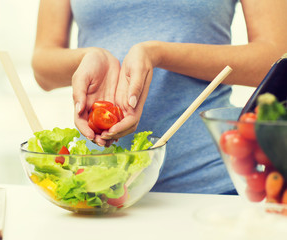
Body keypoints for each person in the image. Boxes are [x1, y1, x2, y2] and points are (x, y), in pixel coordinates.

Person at [31, 0, 287, 194]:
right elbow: (43, 66)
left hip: (211, 186)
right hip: (99, 185)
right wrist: (86, 58)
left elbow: (274, 55)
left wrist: (159, 54)